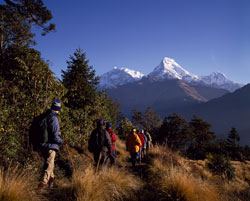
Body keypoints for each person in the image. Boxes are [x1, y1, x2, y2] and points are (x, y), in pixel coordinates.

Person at [39, 100, 64, 189]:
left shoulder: (45, 116)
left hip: (42, 144)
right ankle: (42, 185)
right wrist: (62, 141)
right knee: (49, 166)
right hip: (51, 146)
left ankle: (51, 183)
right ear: (58, 109)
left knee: (51, 164)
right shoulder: (54, 118)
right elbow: (54, 136)